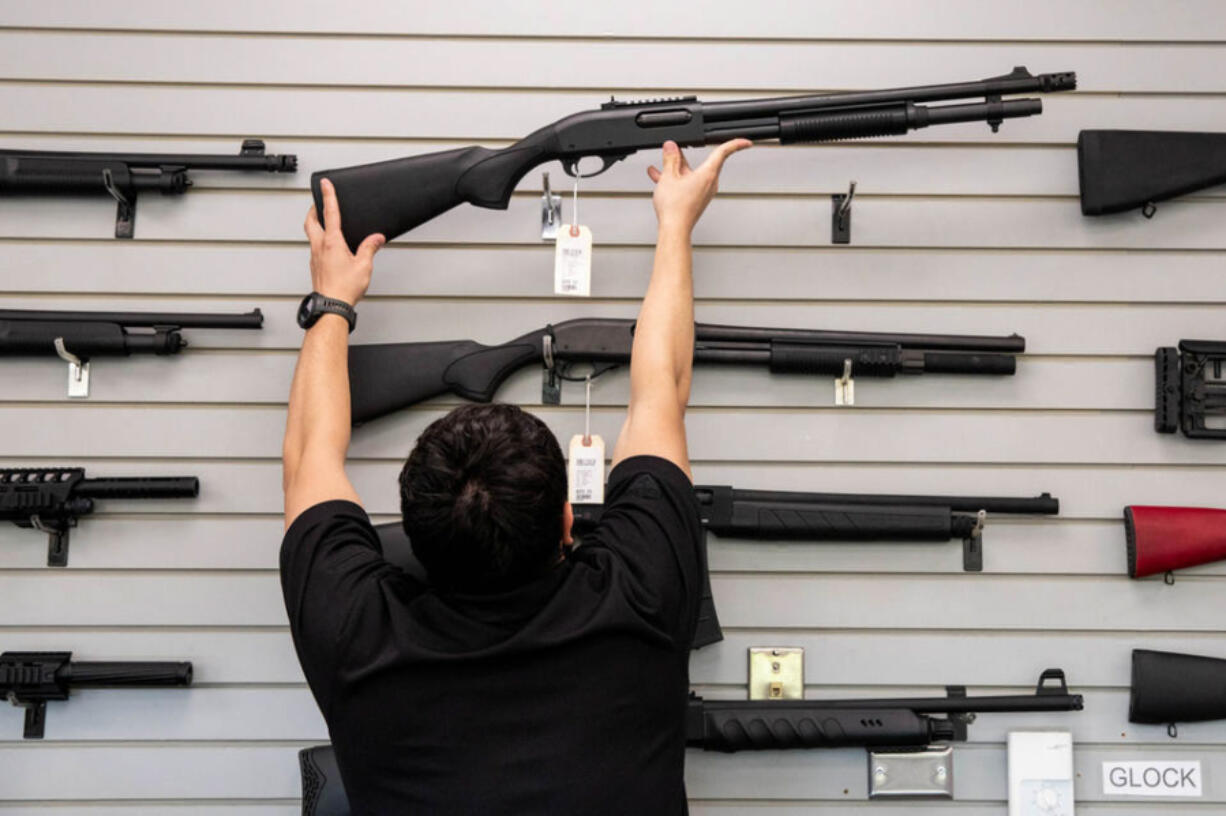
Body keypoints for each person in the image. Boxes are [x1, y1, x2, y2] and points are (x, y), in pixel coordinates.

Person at [281, 137, 751, 815]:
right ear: (567, 518)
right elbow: (661, 390)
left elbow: (308, 457)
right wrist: (675, 225)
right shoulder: (640, 596)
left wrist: (331, 302)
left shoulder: (356, 635)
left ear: (409, 530)